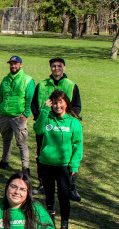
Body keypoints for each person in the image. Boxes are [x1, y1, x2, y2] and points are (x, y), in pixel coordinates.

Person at [33, 90, 82, 229]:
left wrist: (74, 166)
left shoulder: (73, 122)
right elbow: (37, 129)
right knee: (49, 196)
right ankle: (50, 225)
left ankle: (64, 227)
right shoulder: (47, 118)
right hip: (46, 164)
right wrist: (44, 110)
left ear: (66, 103)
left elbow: (77, 145)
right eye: (54, 103)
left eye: (60, 102)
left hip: (63, 167)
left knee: (63, 196)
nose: (57, 106)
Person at [31, 57, 82, 199]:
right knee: (41, 155)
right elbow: (34, 104)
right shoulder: (41, 85)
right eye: (53, 66)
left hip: (65, 128)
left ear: (64, 68)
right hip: (45, 127)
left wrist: (68, 120)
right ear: (50, 68)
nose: (56, 69)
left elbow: (77, 106)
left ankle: (71, 187)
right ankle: (43, 183)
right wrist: (40, 118)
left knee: (69, 156)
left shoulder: (71, 85)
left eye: (59, 66)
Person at [0, 56, 35, 177]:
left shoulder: (27, 80)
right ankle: (4, 161)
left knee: (21, 142)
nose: (13, 66)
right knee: (6, 140)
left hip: (18, 117)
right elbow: (0, 96)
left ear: (21, 65)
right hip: (5, 115)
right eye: (11, 64)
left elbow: (30, 99)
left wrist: (26, 114)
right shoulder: (5, 79)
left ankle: (25, 168)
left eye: (15, 64)